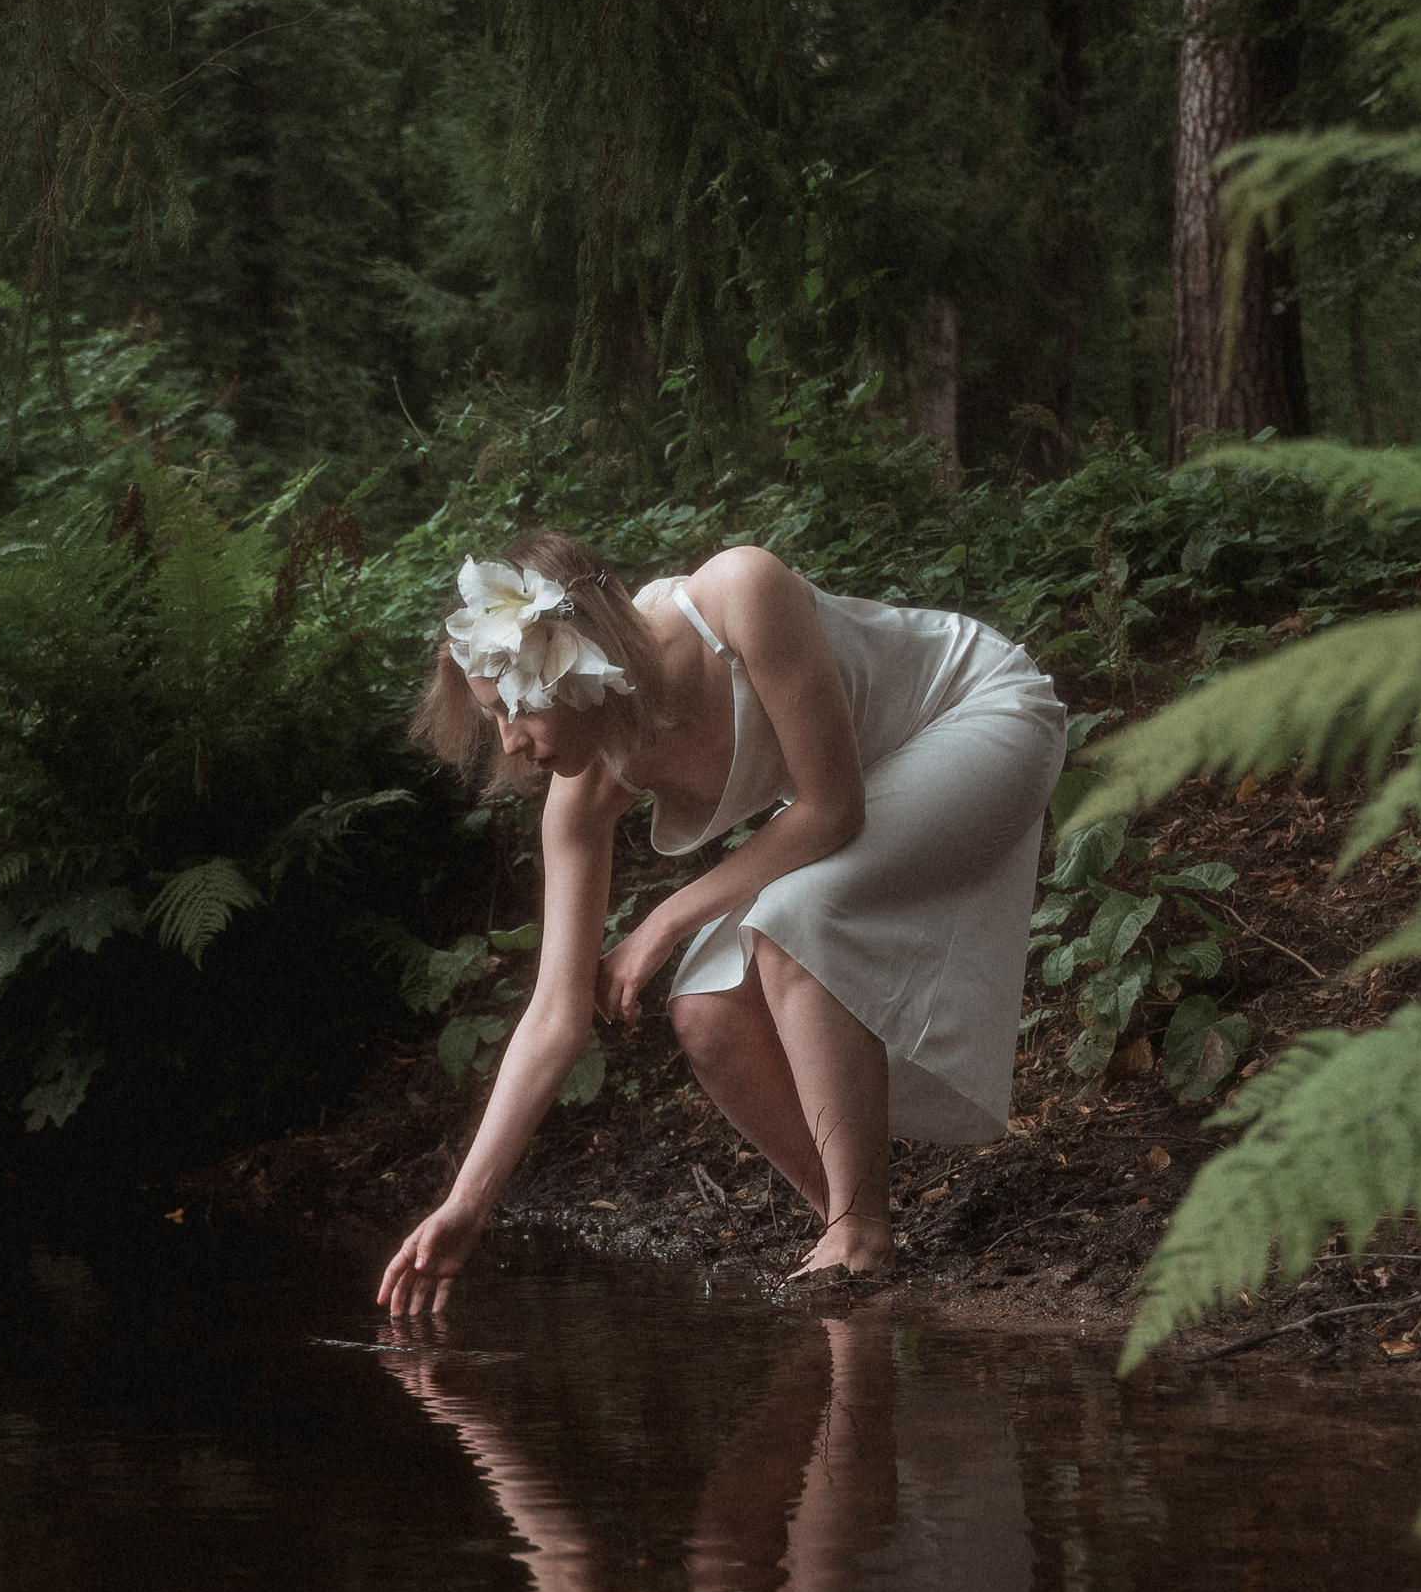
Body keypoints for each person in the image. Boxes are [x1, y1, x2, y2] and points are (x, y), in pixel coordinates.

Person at [377, 534, 1066, 1317]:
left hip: (983, 710)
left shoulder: (738, 593)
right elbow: (555, 1016)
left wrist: (662, 922)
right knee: (707, 1005)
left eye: (516, 707)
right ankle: (851, 1233)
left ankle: (859, 1232)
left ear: (570, 663)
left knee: (790, 922)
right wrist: (466, 1205)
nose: (508, 741)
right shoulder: (582, 797)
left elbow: (831, 811)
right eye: (493, 716)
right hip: (877, 781)